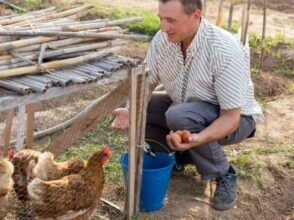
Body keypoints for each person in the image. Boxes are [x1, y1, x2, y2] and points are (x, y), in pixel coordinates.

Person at [111, 0, 263, 210]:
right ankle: (176, 157)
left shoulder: (223, 49)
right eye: (161, 19)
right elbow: (146, 85)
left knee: (179, 116)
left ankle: (223, 173)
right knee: (139, 106)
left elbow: (231, 117)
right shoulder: (163, 39)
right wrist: (130, 110)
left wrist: (198, 138)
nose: (164, 27)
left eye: (171, 20)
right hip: (186, 107)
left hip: (235, 119)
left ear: (196, 16)